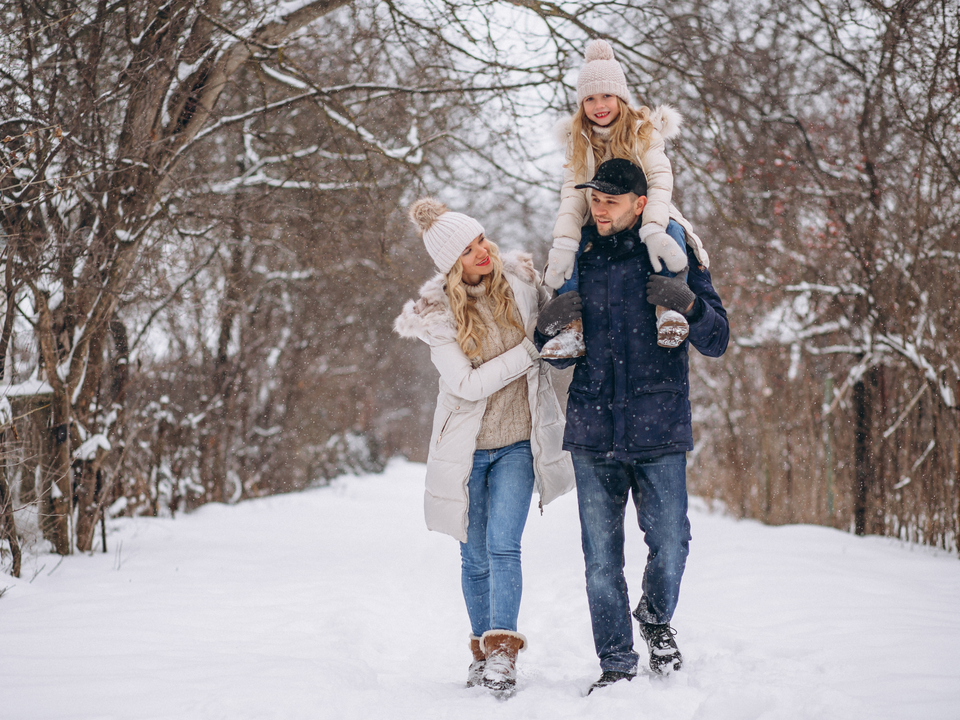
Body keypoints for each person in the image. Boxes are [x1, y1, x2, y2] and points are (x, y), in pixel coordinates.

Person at [535, 159, 730, 692]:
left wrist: (687, 304)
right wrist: (547, 328)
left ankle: (656, 617)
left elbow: (718, 339)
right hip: (593, 431)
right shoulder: (581, 256)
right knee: (601, 560)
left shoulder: (670, 253)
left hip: (658, 427)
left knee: (672, 543)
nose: (599, 209)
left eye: (611, 200)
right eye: (594, 199)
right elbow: (552, 353)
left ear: (640, 203)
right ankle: (616, 663)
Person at [394, 198, 575, 696]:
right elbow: (468, 386)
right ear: (451, 265)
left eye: (480, 239)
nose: (481, 251)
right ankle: (479, 649)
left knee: (503, 544)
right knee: (473, 556)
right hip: (467, 450)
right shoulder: (436, 317)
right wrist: (528, 350)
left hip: (518, 442)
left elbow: (557, 318)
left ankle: (502, 654)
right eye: (468, 249)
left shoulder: (520, 284)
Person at [542, 39, 709, 356]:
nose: (598, 104)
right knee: (568, 252)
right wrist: (564, 241)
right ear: (581, 105)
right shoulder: (578, 139)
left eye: (607, 95)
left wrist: (653, 228)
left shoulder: (642, 131)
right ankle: (571, 330)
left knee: (671, 232)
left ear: (621, 97)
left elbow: (660, 181)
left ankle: (669, 312)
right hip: (599, 217)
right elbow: (572, 193)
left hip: (646, 211)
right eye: (589, 98)